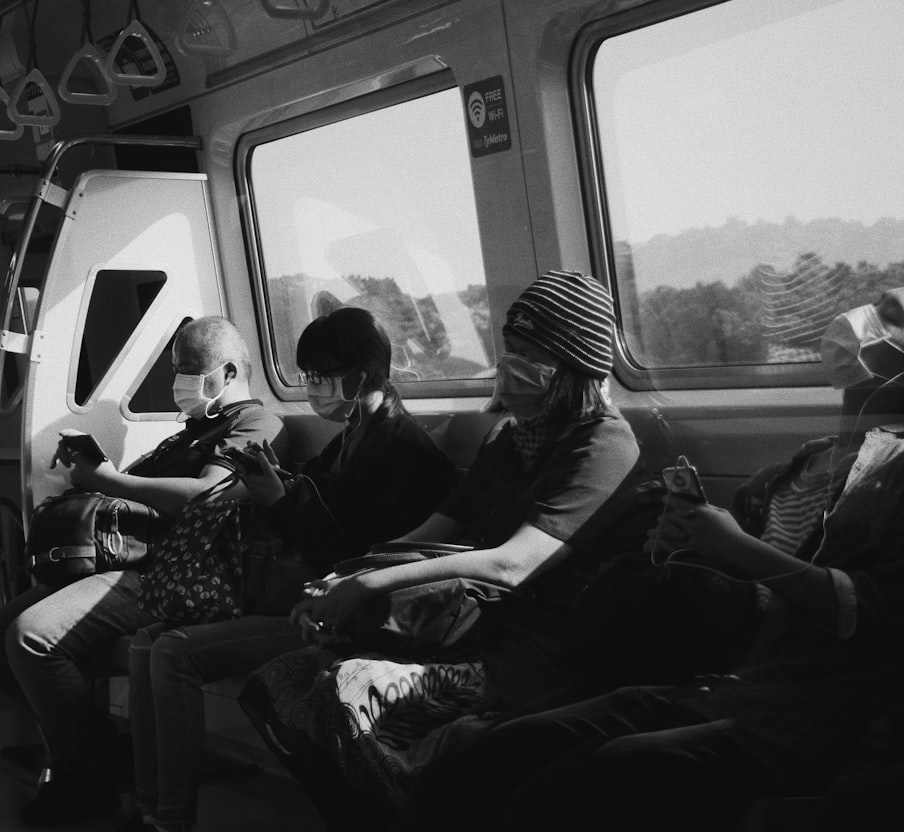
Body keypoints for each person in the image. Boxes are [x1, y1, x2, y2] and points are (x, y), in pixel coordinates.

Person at [395, 282, 904, 832]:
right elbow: (752, 604)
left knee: (572, 785)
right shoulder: (798, 465)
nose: (857, 317)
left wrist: (734, 546)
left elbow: (876, 612)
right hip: (719, 680)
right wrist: (690, 543)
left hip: (796, 714)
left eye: (887, 316)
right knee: (495, 754)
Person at [239, 269, 645, 827]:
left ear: (569, 362)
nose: (510, 364)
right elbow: (434, 529)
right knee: (276, 686)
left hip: (536, 653)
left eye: (529, 351)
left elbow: (514, 564)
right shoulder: (508, 439)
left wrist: (368, 584)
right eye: (510, 349)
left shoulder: (603, 443)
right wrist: (341, 579)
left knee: (346, 691)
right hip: (471, 626)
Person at [126, 306, 457, 832]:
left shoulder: (400, 452)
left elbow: (354, 555)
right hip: (311, 593)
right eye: (306, 377)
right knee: (146, 639)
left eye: (321, 376)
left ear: (361, 375)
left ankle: (171, 819)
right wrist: (274, 483)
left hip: (351, 610)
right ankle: (147, 805)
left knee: (173, 651)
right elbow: (316, 503)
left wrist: (278, 501)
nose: (312, 388)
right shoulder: (353, 437)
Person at [1, 316, 288, 827]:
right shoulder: (191, 432)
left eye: (189, 371)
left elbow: (205, 496)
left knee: (32, 636)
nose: (179, 384)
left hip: (173, 572)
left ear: (224, 373)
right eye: (176, 370)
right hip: (132, 559)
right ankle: (94, 754)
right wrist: (97, 472)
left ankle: (87, 771)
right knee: (7, 621)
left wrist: (108, 479)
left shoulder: (255, 425)